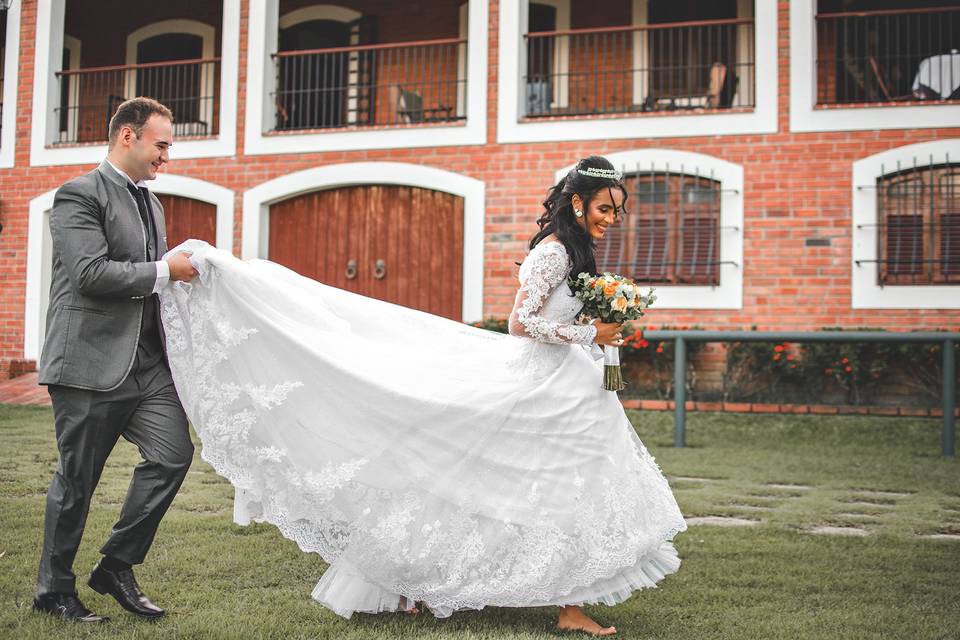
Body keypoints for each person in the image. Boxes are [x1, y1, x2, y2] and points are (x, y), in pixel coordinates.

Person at [158, 156, 686, 637]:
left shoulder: (578, 251)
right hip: (539, 381)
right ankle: (425, 577)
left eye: (617, 210)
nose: (611, 218)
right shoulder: (552, 253)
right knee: (494, 477)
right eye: (604, 208)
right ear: (577, 202)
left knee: (572, 483)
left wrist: (596, 327)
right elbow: (520, 323)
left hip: (571, 386)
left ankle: (570, 600)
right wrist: (592, 334)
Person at [33, 97, 198, 623]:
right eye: (161, 144)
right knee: (77, 481)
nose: (166, 156)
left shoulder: (152, 203)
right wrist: (167, 271)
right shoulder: (77, 195)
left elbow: (157, 279)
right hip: (87, 363)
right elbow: (90, 274)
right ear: (128, 136)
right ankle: (54, 590)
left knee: (172, 455)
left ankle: (116, 565)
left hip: (147, 365)